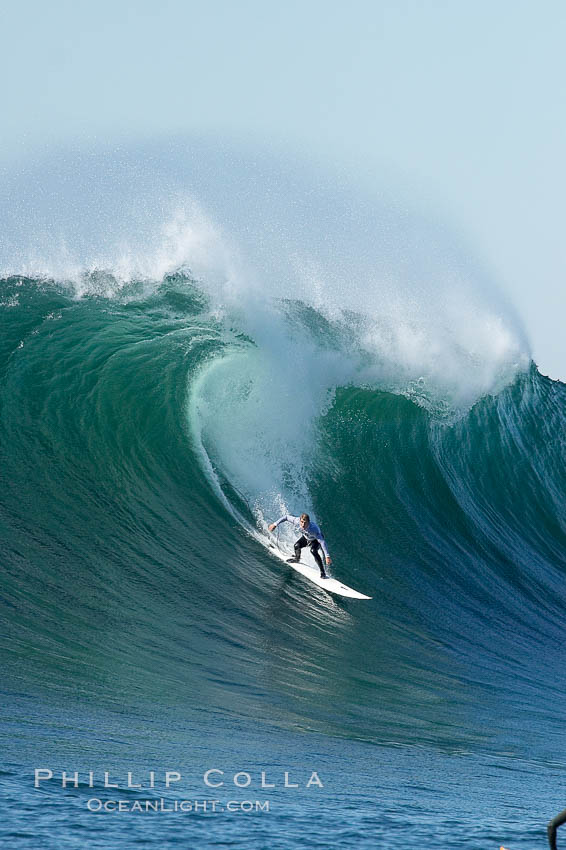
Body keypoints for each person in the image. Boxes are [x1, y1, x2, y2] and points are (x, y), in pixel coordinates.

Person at [268, 513, 332, 579]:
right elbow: (286, 517)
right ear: (299, 520)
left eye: (305, 523)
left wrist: (327, 556)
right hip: (306, 538)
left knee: (313, 551)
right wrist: (275, 524)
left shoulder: (314, 529)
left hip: (315, 540)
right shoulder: (296, 521)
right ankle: (297, 559)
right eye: (302, 522)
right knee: (296, 546)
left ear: (309, 522)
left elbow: (322, 542)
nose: (303, 525)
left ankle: (323, 572)